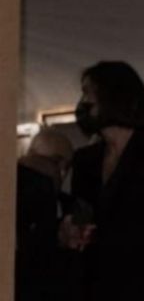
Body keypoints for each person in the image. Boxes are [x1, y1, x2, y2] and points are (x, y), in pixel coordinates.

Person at [66, 61, 144, 301]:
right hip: (96, 284)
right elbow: (81, 213)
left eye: (88, 92)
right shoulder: (85, 159)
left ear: (114, 94)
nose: (83, 102)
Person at [16, 128, 80, 301]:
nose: (61, 172)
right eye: (54, 161)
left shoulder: (75, 207)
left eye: (67, 166)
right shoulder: (12, 201)